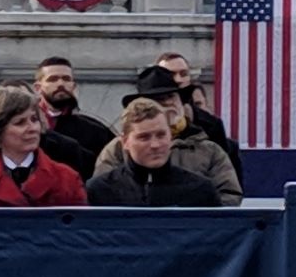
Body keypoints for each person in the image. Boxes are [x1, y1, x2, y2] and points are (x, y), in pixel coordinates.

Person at [91, 67, 242, 205]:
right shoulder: (115, 152)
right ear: (126, 142)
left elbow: (227, 201)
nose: (168, 103)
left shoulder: (209, 155)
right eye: (158, 99)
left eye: (171, 96)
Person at [0, 87, 87, 208]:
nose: (32, 128)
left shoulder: (66, 178)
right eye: (20, 122)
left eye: (34, 119)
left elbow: (81, 232)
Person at [85, 97, 222, 207]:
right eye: (144, 137)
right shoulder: (100, 191)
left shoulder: (200, 191)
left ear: (171, 136)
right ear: (125, 142)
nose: (155, 145)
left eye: (161, 135)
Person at [155, 50, 242, 182]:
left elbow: (227, 177)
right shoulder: (142, 120)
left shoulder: (212, 125)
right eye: (171, 74)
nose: (178, 79)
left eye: (183, 74)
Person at [35, 56, 115, 169]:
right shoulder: (26, 126)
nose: (60, 84)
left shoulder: (95, 130)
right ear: (38, 88)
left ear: (73, 86)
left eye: (66, 79)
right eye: (53, 79)